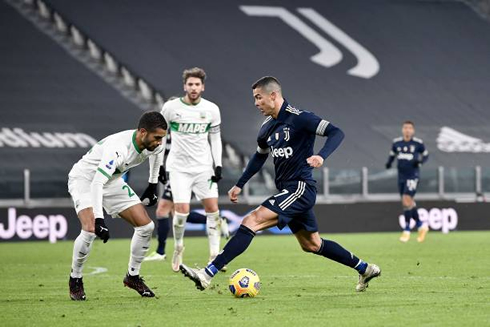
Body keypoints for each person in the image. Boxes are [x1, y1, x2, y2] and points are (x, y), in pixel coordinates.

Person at [180, 76, 381, 293]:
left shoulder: (301, 118)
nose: (256, 103)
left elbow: (336, 132)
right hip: (288, 190)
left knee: (252, 220)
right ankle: (365, 268)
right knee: (312, 244)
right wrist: (240, 184)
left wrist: (321, 156)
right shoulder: (266, 128)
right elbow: (259, 157)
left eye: (259, 98)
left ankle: (207, 274)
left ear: (273, 96)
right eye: (254, 98)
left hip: (301, 188)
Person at [67, 111, 166, 300]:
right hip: (86, 180)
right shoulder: (118, 148)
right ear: (143, 132)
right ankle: (76, 278)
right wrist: (99, 219)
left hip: (111, 181)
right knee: (89, 230)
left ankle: (133, 277)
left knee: (146, 226)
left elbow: (157, 155)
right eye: (157, 138)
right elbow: (97, 183)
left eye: (162, 138)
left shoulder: (154, 144)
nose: (160, 142)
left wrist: (153, 184)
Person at [160, 67, 224, 272]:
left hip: (204, 168)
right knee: (181, 212)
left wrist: (218, 164)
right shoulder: (170, 108)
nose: (194, 88)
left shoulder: (212, 109)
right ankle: (178, 247)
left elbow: (215, 138)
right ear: (184, 86)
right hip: (179, 169)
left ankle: (214, 255)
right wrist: (160, 164)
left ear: (202, 87)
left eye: (197, 84)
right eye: (190, 84)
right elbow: (160, 137)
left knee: (213, 211)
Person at [386, 121, 429, 242]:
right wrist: (389, 163)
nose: (407, 130)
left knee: (406, 199)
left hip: (413, 175)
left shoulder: (418, 143)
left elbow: (426, 155)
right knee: (408, 202)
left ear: (413, 131)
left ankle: (407, 229)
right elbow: (392, 155)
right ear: (402, 130)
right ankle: (421, 225)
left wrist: (420, 162)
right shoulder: (396, 143)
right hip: (401, 176)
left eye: (410, 128)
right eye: (405, 128)